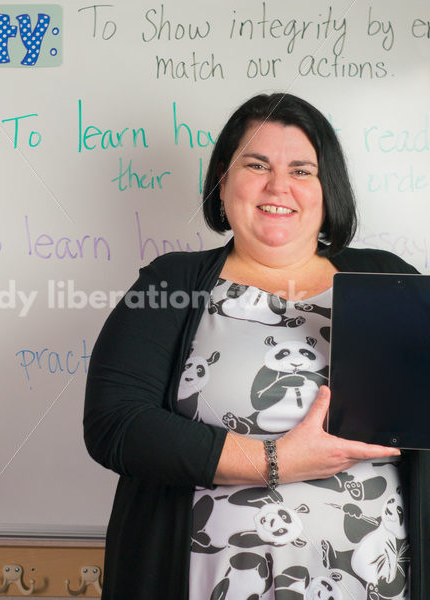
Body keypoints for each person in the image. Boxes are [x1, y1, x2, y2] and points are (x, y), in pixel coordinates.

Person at [84, 93, 429, 600]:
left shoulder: (389, 278)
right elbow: (116, 425)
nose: (278, 186)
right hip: (210, 581)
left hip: (373, 584)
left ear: (326, 188)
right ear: (223, 178)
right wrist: (277, 460)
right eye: (256, 164)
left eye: (301, 170)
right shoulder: (171, 282)